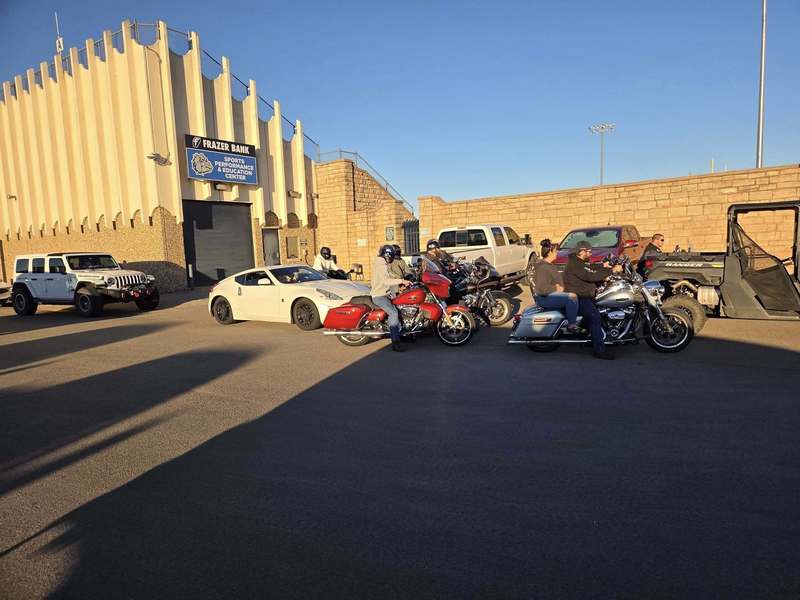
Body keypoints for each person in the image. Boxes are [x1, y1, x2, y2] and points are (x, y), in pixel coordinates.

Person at [563, 240, 622, 360]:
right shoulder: (575, 264)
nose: (591, 254)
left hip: (585, 294)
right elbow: (590, 274)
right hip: (579, 297)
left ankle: (590, 335)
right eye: (589, 251)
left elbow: (591, 267)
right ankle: (599, 350)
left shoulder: (580, 262)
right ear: (581, 251)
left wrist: (603, 266)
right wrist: (612, 270)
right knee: (595, 317)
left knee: (602, 309)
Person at [372, 245, 413, 352]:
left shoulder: (382, 263)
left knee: (401, 308)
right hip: (379, 295)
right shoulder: (380, 264)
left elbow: (390, 275)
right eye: (391, 256)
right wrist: (401, 281)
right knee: (394, 313)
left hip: (386, 294)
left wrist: (403, 280)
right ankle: (395, 342)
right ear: (388, 255)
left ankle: (404, 334)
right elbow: (386, 281)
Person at [533, 239, 579, 333]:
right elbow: (541, 288)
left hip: (550, 295)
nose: (557, 253)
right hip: (545, 298)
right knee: (572, 297)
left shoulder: (548, 265)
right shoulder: (543, 267)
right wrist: (556, 288)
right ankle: (572, 325)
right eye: (555, 251)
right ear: (550, 252)